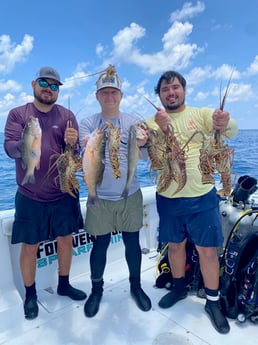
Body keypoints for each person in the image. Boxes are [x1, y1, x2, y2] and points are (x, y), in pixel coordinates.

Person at [146, 71, 238, 334]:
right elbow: (144, 151)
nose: (171, 92)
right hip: (168, 197)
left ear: (184, 90)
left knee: (207, 251)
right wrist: (145, 136)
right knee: (174, 247)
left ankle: (212, 301)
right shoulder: (153, 121)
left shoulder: (201, 115)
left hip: (202, 197)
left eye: (175, 87)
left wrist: (225, 121)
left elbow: (231, 131)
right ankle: (177, 288)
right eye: (165, 89)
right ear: (160, 94)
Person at [4, 66, 86, 320]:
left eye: (54, 86)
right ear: (33, 84)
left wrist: (75, 144)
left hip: (63, 192)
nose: (48, 89)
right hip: (30, 195)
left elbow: (76, 157)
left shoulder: (67, 115)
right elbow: (8, 148)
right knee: (30, 246)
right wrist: (27, 142)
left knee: (65, 239)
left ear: (58, 91)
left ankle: (64, 283)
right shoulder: (19, 114)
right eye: (44, 83)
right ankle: (31, 295)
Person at [79, 66, 152, 318]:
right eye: (104, 93)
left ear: (120, 96)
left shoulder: (132, 122)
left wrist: (144, 141)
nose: (109, 97)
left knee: (132, 242)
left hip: (130, 195)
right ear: (97, 96)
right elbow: (84, 158)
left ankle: (136, 286)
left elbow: (142, 155)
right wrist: (88, 144)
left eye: (113, 92)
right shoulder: (88, 123)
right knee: (100, 245)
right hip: (99, 196)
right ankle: (96, 290)